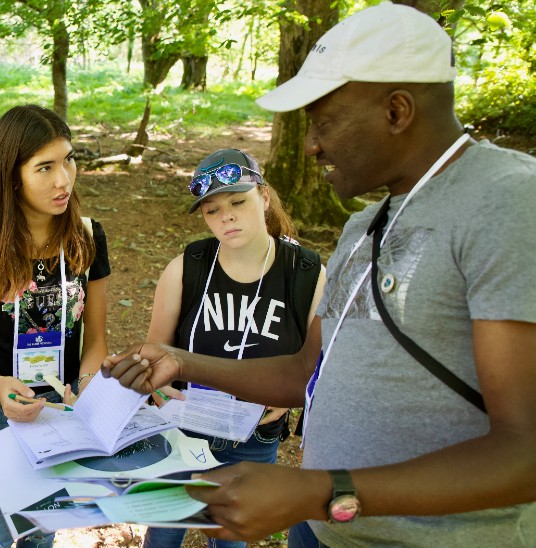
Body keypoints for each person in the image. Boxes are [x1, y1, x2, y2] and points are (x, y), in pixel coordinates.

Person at [102, 3, 536, 547]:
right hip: (332, 530)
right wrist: (182, 361)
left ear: (397, 111)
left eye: (324, 122)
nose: (311, 145)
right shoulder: (363, 227)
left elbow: (525, 452)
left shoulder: (509, 202)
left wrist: (319, 491)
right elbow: (309, 370)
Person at [0, 104, 111, 548]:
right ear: (14, 175)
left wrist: (86, 383)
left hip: (62, 411)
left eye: (69, 159)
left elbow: (97, 340)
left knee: (41, 536)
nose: (63, 179)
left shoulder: (87, 236)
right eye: (44, 167)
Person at [141, 148, 325, 548]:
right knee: (163, 532)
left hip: (254, 438)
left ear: (263, 196)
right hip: (185, 431)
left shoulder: (305, 273)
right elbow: (154, 352)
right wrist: (160, 391)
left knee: (230, 538)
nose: (226, 217)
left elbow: (318, 366)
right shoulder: (186, 267)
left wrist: (291, 398)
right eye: (212, 210)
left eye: (238, 202)